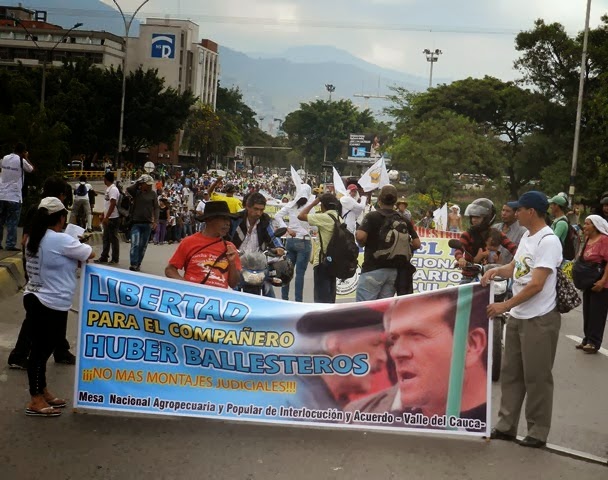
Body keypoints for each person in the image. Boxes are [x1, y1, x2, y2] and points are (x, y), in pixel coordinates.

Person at [482, 190, 562, 448]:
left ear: (532, 212)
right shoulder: (527, 237)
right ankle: (506, 425)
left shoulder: (548, 241)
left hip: (539, 318)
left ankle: (537, 431)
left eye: (519, 210)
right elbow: (517, 269)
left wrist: (504, 304)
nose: (515, 214)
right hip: (518, 316)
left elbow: (537, 284)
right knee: (511, 374)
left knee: (537, 377)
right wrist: (496, 271)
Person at [345, 288, 488, 430]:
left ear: (471, 345)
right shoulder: (357, 413)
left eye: (416, 335)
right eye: (393, 339)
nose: (396, 352)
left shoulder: (502, 422)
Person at [23, 197, 94, 416]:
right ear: (61, 218)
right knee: (41, 351)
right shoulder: (59, 240)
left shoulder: (36, 236)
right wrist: (77, 240)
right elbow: (89, 252)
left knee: (42, 348)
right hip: (50, 302)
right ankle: (35, 399)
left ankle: (42, 391)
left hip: (36, 296)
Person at [7, 178, 78, 370]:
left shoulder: (39, 209)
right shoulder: (43, 211)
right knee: (36, 315)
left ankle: (60, 349)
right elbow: (26, 239)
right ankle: (19, 354)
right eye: (63, 195)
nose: (64, 198)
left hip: (41, 265)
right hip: (39, 267)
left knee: (57, 308)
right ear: (58, 195)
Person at [295, 307, 388, 410]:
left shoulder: (339, 408)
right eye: (375, 344)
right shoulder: (296, 403)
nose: (383, 357)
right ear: (335, 344)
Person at [356, 185, 420, 301]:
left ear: (379, 199)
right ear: (395, 201)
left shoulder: (372, 216)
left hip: (372, 269)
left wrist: (364, 242)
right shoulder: (403, 219)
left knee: (364, 310)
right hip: (393, 272)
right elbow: (417, 243)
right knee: (383, 309)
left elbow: (360, 236)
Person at [165, 201, 241, 288]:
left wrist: (232, 263)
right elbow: (170, 270)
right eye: (223, 219)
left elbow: (233, 283)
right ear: (208, 220)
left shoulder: (230, 248)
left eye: (228, 219)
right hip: (192, 297)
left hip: (217, 299)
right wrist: (185, 285)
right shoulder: (189, 242)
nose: (228, 223)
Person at [229, 192, 285, 297]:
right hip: (236, 264)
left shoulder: (265, 220)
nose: (259, 213)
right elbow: (226, 237)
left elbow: (273, 235)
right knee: (231, 291)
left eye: (261, 210)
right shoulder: (236, 219)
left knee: (270, 295)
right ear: (247, 207)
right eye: (255, 209)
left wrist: (279, 247)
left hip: (257, 265)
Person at [453, 198, 517, 284]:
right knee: (460, 296)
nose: (474, 220)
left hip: (492, 277)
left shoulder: (495, 233)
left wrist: (520, 259)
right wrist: (460, 258)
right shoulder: (467, 234)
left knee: (508, 292)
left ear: (487, 218)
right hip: (469, 276)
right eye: (472, 217)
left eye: (478, 217)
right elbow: (459, 248)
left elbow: (511, 246)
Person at [298, 193, 340, 303]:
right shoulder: (339, 218)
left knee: (321, 300)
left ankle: (322, 320)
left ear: (323, 205)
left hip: (322, 262)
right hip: (334, 262)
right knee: (330, 298)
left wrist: (313, 203)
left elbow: (301, 215)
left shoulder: (325, 217)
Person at [274, 185, 313, 302]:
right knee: (300, 274)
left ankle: (284, 299)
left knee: (286, 272)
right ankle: (298, 301)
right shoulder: (310, 207)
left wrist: (287, 229)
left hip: (290, 240)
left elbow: (277, 216)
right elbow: (314, 224)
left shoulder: (291, 204)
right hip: (304, 241)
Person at [575, 215, 608, 354]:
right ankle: (587, 339)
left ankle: (594, 342)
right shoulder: (588, 239)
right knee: (587, 311)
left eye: (587, 224)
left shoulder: (604, 240)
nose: (585, 226)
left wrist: (603, 281)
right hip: (589, 280)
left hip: (601, 282)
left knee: (597, 313)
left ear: (595, 225)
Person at [0, 142, 34, 251]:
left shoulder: (4, 158)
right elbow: (31, 169)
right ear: (23, 152)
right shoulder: (21, 160)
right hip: (14, 196)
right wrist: (26, 158)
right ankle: (10, 244)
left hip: (1, 194)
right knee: (12, 222)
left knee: (0, 220)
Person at [126, 174, 159, 272]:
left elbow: (156, 208)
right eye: (147, 184)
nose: (149, 186)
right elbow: (129, 189)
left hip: (147, 223)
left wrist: (155, 221)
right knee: (135, 244)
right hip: (136, 223)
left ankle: (138, 263)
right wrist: (138, 182)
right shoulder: (136, 192)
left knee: (143, 246)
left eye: (150, 184)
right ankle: (133, 263)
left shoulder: (153, 194)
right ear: (142, 184)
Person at [94, 172, 120, 264]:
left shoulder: (113, 189)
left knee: (113, 238)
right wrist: (103, 214)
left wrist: (107, 217)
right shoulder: (109, 189)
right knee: (106, 238)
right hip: (107, 216)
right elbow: (107, 204)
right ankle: (104, 256)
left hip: (112, 217)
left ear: (106, 179)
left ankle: (115, 258)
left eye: (104, 178)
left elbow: (113, 203)